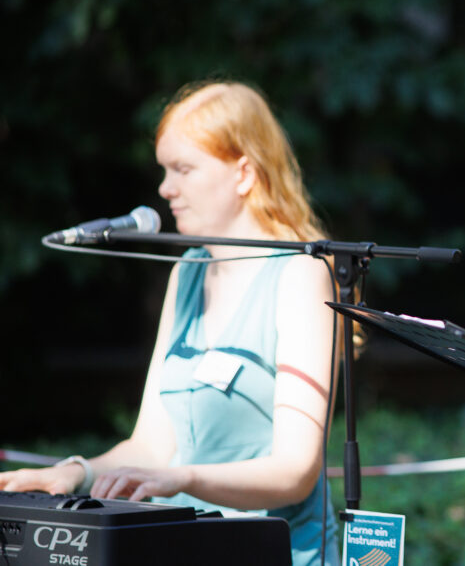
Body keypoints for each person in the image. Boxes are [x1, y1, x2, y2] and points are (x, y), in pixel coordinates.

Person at [0, 80, 342, 566]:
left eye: (183, 168)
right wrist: (74, 474)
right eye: (164, 170)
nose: (165, 189)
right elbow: (153, 446)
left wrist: (183, 479)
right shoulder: (187, 271)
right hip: (189, 548)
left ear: (244, 172)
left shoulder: (301, 274)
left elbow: (295, 472)